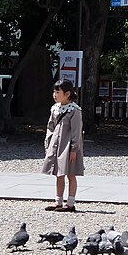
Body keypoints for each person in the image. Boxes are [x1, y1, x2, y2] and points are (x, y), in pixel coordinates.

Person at [42, 80, 84, 212]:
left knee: (71, 174)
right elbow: (50, 127)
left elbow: (76, 131)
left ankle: (70, 203)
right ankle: (58, 201)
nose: (55, 94)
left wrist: (74, 149)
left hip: (68, 146)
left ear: (67, 94)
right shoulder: (55, 108)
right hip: (56, 145)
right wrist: (48, 143)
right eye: (54, 91)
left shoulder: (74, 110)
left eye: (57, 92)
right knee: (58, 174)